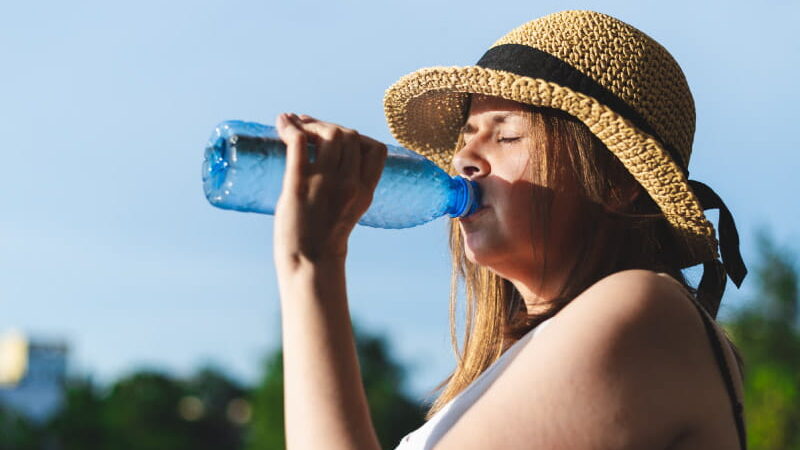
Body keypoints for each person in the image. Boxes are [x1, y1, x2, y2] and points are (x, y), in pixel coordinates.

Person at [272, 9, 748, 450]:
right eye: (465, 137)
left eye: (507, 135)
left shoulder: (643, 308)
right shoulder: (514, 364)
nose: (462, 160)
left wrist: (311, 264)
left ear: (616, 181)